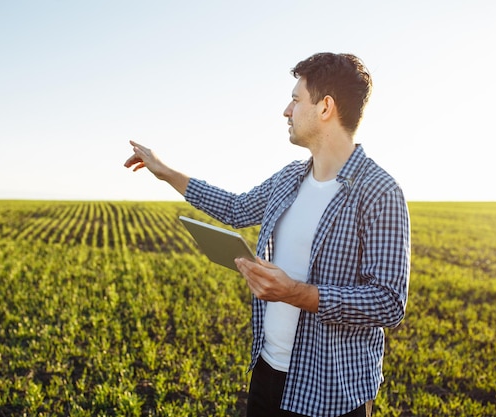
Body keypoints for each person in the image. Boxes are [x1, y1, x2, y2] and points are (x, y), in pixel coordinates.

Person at [124, 52, 410, 417]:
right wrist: (166, 172)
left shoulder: (379, 190)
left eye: (295, 99)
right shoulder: (289, 177)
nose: (286, 111)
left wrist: (298, 294)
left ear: (325, 107)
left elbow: (387, 302)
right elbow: (235, 208)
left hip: (331, 390)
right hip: (268, 373)